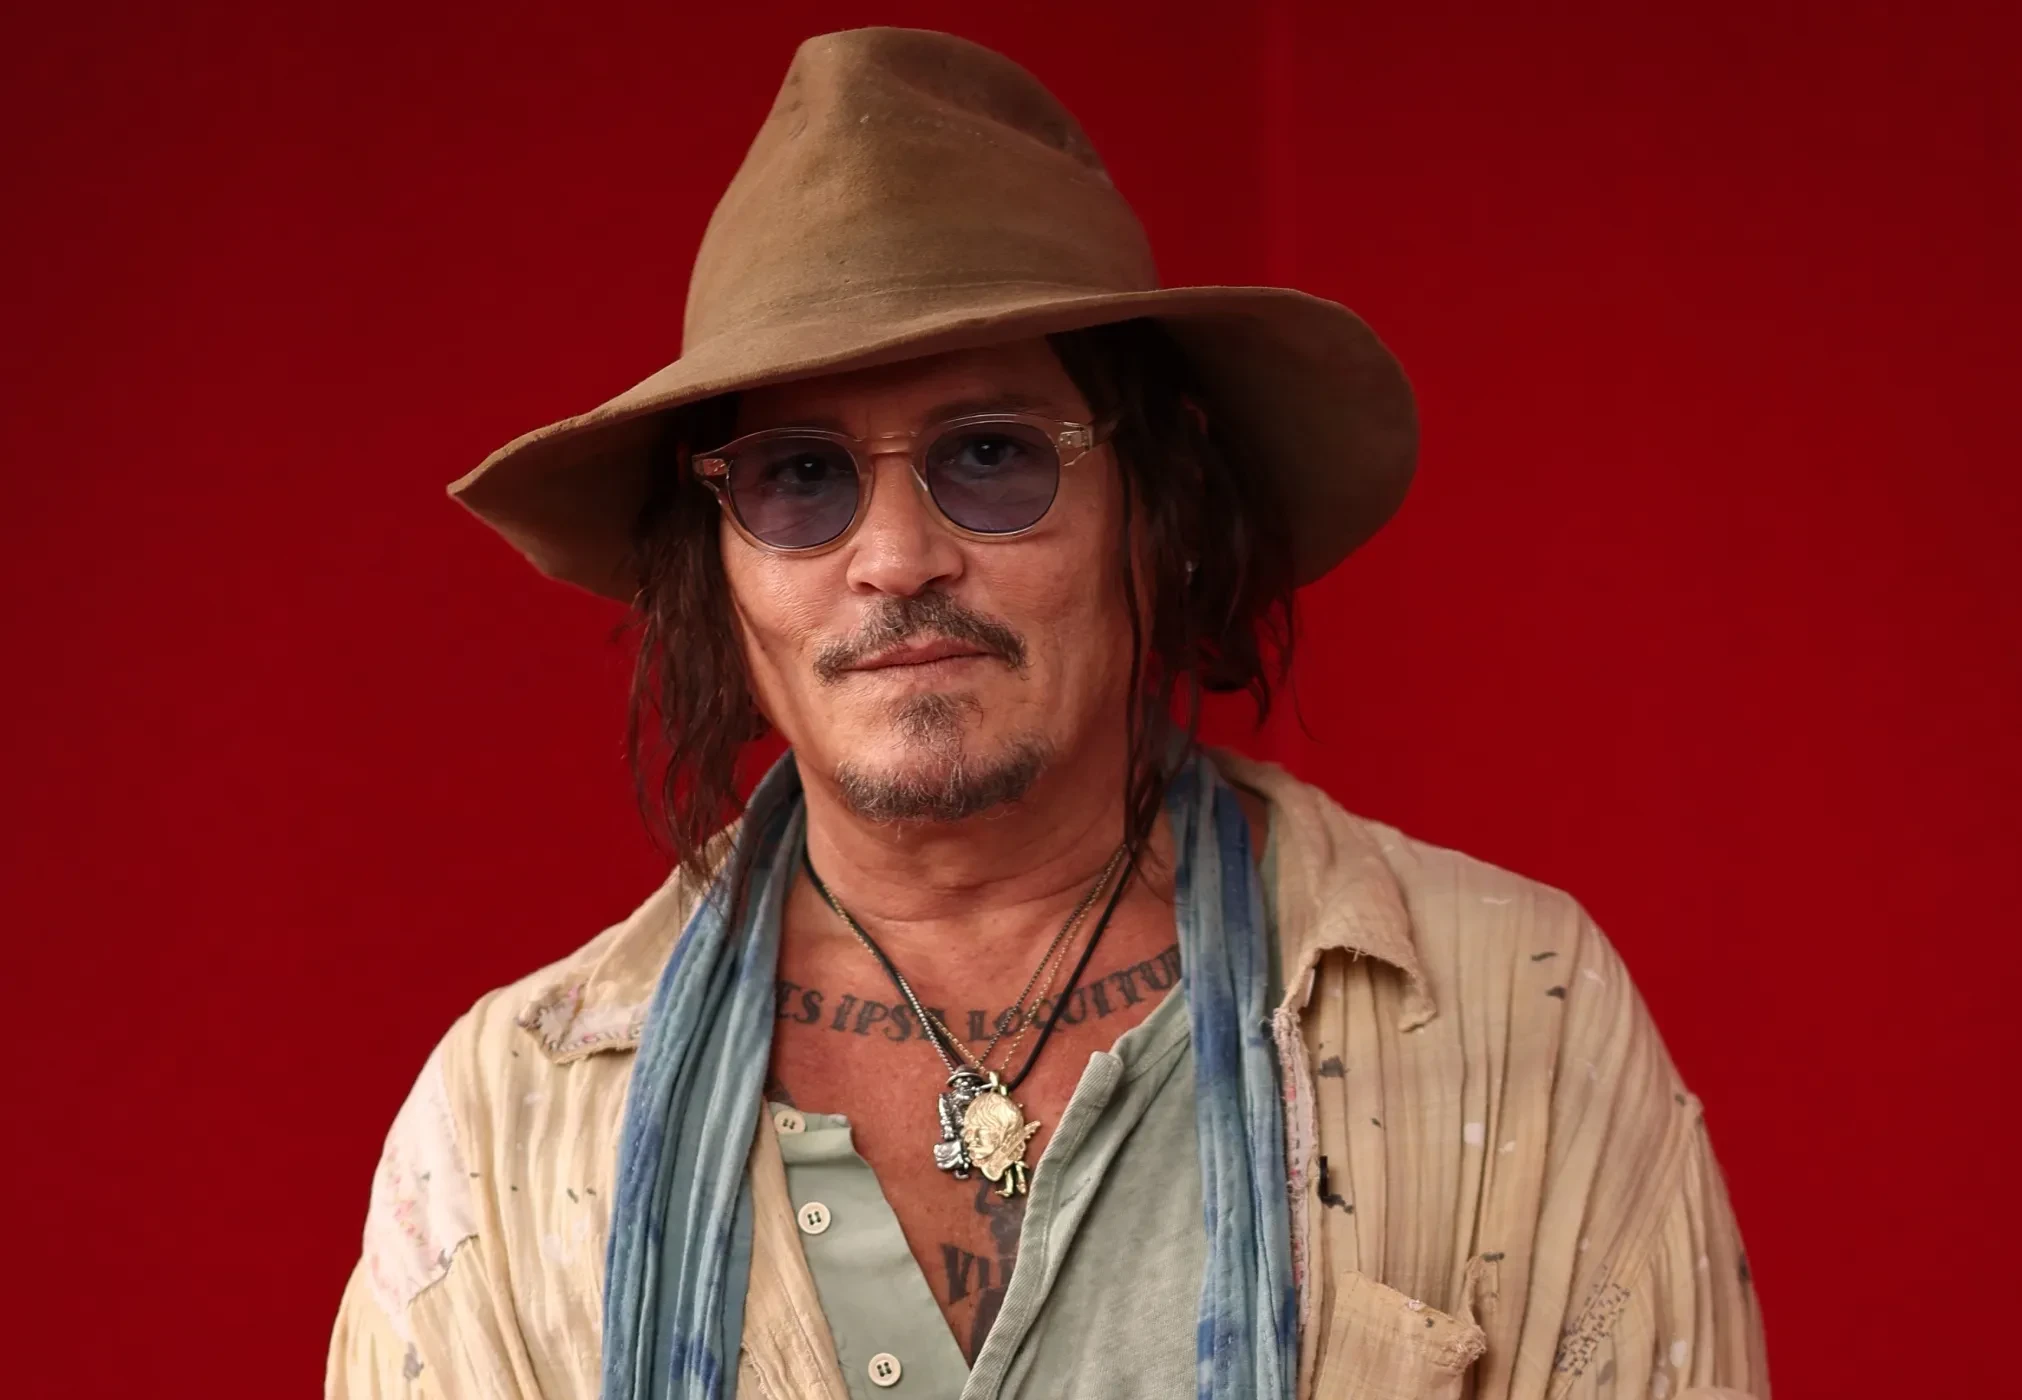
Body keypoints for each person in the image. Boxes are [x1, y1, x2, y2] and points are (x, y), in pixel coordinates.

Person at [327, 25, 1768, 1400]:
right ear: (718, 564)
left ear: (1159, 514)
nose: (896, 559)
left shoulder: (1515, 1019)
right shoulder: (504, 1133)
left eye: (992, 455)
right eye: (801, 479)